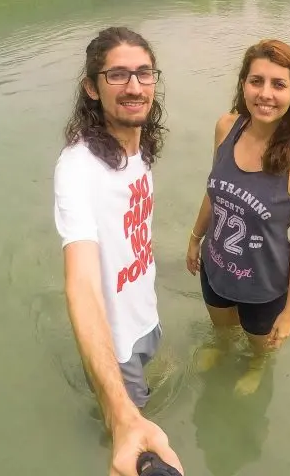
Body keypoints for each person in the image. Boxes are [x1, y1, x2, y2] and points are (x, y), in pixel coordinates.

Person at [53, 26, 184, 476]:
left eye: (144, 74)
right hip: (115, 342)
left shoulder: (139, 144)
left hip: (145, 314)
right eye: (118, 75)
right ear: (91, 88)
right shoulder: (77, 169)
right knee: (130, 426)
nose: (134, 87)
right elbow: (81, 284)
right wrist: (122, 414)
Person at [185, 38, 290, 393]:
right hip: (215, 265)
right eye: (256, 81)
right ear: (243, 85)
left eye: (279, 84)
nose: (265, 93)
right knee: (223, 329)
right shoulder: (226, 127)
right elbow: (214, 190)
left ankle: (258, 367)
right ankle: (222, 349)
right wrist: (195, 237)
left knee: (259, 344)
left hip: (264, 285)